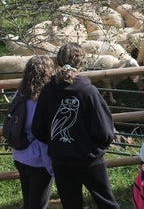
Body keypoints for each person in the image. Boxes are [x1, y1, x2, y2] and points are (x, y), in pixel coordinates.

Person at [32, 43, 118, 208]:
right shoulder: (89, 92)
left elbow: (38, 127)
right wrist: (95, 148)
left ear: (58, 61)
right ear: (82, 62)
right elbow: (105, 131)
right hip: (89, 158)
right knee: (106, 203)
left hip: (60, 159)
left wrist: (56, 143)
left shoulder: (48, 90)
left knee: (71, 204)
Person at [12, 55, 55, 209]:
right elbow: (44, 134)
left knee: (29, 201)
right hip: (39, 160)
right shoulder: (45, 98)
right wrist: (52, 168)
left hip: (20, 156)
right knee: (39, 205)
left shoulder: (20, 93)